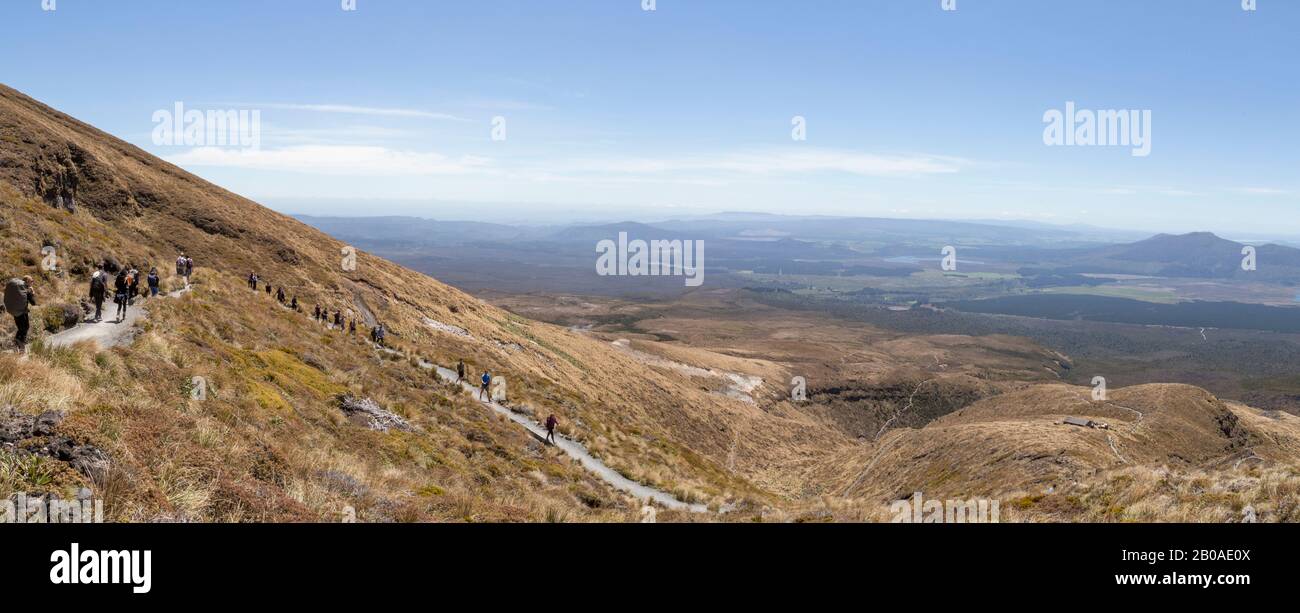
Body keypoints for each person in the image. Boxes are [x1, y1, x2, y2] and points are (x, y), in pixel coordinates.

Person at [4, 276, 36, 353]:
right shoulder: (26, 290)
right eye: (32, 280)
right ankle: (21, 347)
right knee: (25, 328)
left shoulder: (18, 290)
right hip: (22, 312)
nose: (33, 282)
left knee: (20, 328)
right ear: (27, 281)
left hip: (14, 312)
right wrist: (32, 293)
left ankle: (16, 345)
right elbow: (33, 303)